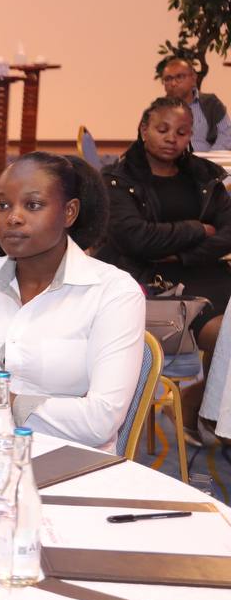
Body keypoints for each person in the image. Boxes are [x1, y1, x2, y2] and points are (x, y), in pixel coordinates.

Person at [0, 153, 144, 451]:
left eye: (33, 205)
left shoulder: (113, 292)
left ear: (69, 212)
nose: (13, 217)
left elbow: (99, 422)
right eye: (2, 205)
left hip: (66, 461)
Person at [98, 96, 231, 421]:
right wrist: (196, 228)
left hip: (205, 271)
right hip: (157, 285)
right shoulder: (117, 179)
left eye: (182, 133)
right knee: (227, 336)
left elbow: (229, 231)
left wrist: (179, 253)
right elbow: (136, 239)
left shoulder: (205, 175)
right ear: (144, 129)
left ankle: (199, 405)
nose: (172, 138)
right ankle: (206, 414)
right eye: (163, 129)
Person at [159, 57, 230, 152]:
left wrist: (208, 159)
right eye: (168, 79)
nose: (173, 83)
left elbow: (227, 135)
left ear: (193, 78)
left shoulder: (211, 103)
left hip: (209, 158)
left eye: (179, 77)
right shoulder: (158, 110)